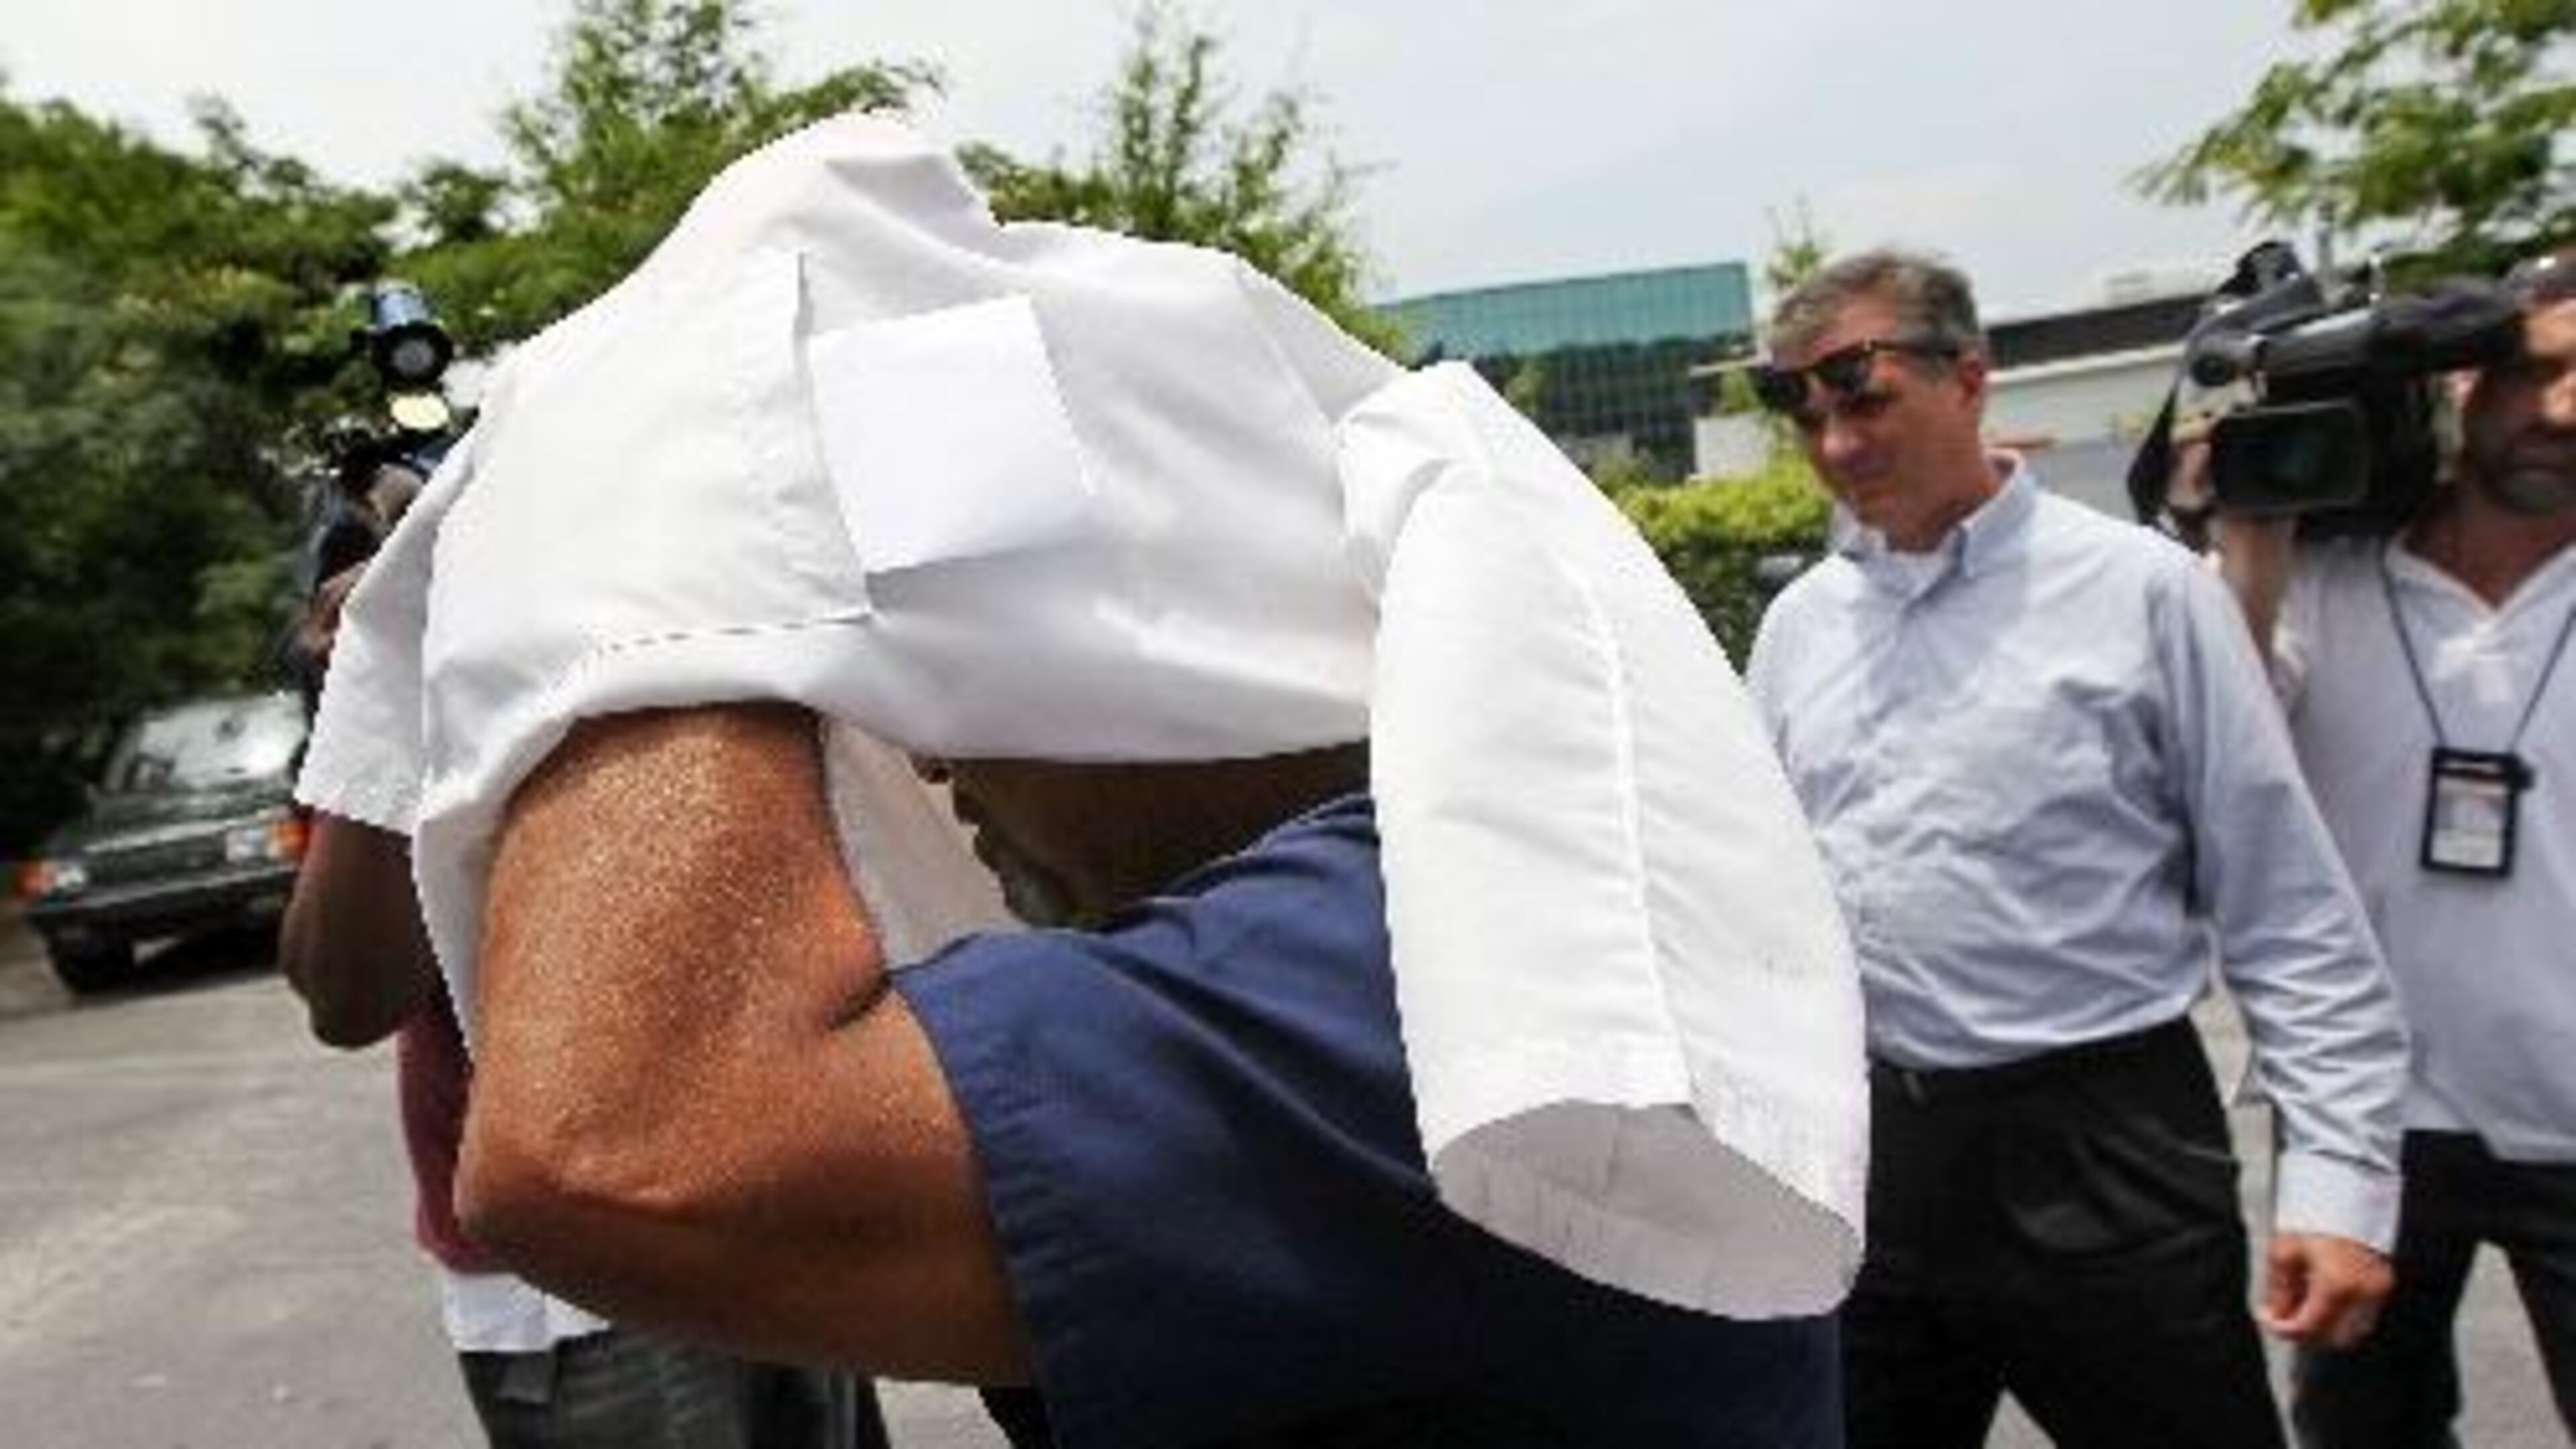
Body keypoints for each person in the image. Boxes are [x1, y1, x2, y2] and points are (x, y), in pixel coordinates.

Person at [293, 114, 1875, 1448]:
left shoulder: (1406, 964)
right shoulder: (1434, 881)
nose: (928, 746)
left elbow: (614, 1154)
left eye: (967, 674)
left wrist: (659, 452)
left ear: (1164, 656)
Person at [1742, 248, 2412, 1449]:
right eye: (1805, 412)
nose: (1837, 443)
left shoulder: (2145, 594)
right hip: (1880, 1161)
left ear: (1972, 380)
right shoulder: (1800, 630)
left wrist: (2340, 1184)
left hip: (2105, 1148)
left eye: (1865, 394)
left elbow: (2287, 905)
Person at [281, 527, 883, 1449]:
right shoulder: (418, 687)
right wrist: (381, 677)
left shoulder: (663, 613)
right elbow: (348, 995)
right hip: (585, 1281)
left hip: (777, 1202)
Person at [2214, 246, 2576, 1448]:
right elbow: (2226, 728)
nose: (2562, 411)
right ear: (2462, 385)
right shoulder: (2330, 583)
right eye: (2537, 374)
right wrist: (2253, 526)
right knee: (2361, 1432)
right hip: (2377, 1117)